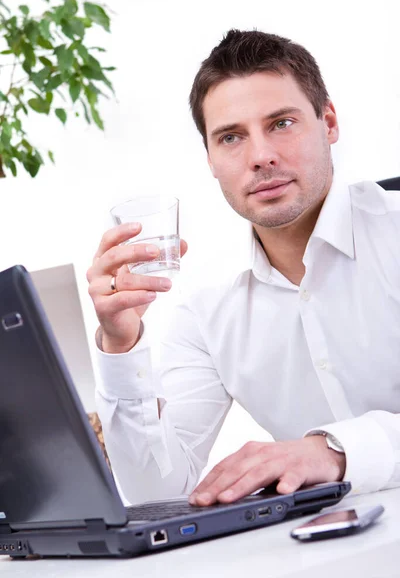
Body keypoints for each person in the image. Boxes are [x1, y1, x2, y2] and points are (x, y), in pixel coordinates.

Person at [86, 29, 400, 507]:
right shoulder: (207, 308)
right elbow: (154, 491)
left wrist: (336, 452)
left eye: (281, 123)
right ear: (210, 159)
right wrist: (120, 344)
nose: (260, 157)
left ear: (329, 122)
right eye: (231, 137)